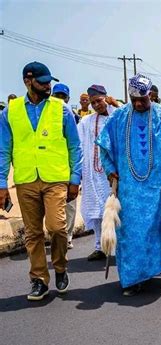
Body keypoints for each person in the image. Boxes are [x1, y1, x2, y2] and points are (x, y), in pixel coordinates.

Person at [96, 74, 161, 296]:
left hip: (157, 189)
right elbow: (104, 145)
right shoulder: (120, 116)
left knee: (155, 230)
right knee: (130, 235)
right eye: (135, 100)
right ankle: (131, 279)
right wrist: (111, 169)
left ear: (150, 95)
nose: (139, 104)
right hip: (129, 191)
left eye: (143, 99)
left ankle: (154, 267)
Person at [0, 62, 82, 301]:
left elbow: (74, 146)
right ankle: (38, 280)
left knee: (57, 228)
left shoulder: (62, 109)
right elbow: (3, 150)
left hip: (56, 178)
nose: (48, 85)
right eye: (43, 81)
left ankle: (60, 267)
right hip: (26, 180)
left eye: (49, 81)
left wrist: (74, 178)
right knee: (33, 233)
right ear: (28, 81)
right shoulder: (10, 112)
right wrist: (2, 184)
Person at [77, 84, 117, 261]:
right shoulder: (86, 121)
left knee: (115, 211)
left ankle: (118, 248)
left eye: (99, 101)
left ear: (106, 98)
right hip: (93, 174)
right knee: (96, 213)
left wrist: (115, 105)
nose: (96, 105)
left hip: (113, 173)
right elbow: (78, 146)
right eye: (93, 103)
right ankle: (99, 247)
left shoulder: (117, 116)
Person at [52, 82, 80, 249]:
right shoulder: (44, 115)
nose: (60, 99)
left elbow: (77, 146)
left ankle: (67, 237)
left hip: (69, 169)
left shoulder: (74, 117)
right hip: (50, 169)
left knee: (69, 205)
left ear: (68, 98)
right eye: (57, 96)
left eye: (63, 97)